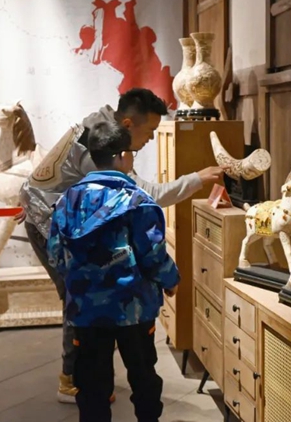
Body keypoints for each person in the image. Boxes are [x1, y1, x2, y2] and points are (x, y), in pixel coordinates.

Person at [17, 88, 222, 402]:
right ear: (127, 125)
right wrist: (198, 178)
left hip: (55, 218)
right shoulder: (100, 152)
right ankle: (71, 380)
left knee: (85, 295)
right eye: (150, 131)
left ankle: (89, 377)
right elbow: (148, 195)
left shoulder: (97, 129)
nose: (151, 139)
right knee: (78, 295)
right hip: (51, 223)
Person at [47, 120, 179, 422]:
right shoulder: (138, 201)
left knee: (91, 384)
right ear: (121, 156)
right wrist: (171, 280)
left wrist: (81, 281)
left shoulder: (68, 201)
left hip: (86, 310)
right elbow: (153, 255)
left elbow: (56, 254)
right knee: (143, 377)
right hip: (134, 308)